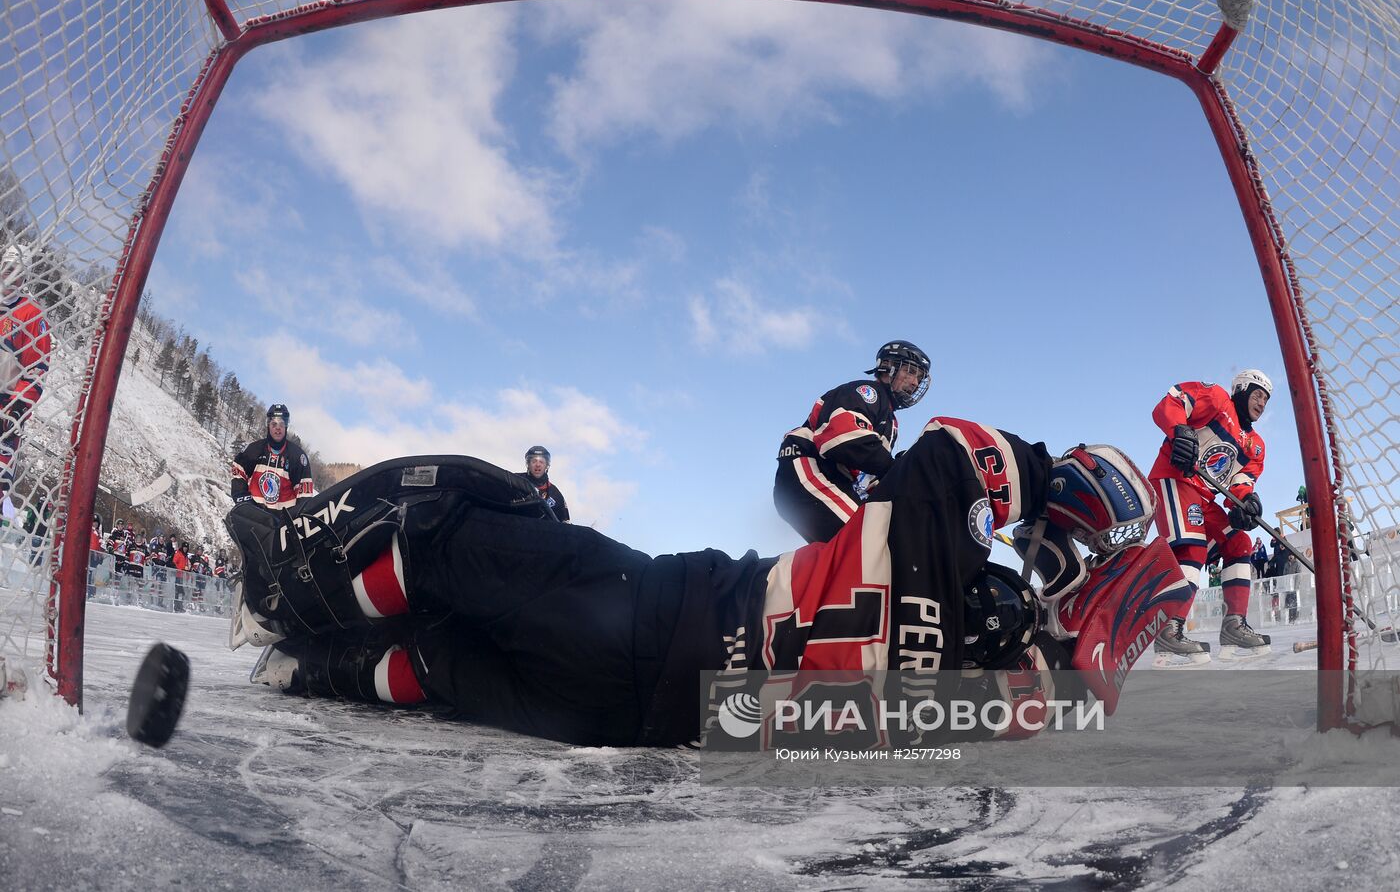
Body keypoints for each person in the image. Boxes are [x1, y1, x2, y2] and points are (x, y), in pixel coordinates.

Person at [230, 416, 1181, 748]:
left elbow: (950, 452)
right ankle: (299, 669)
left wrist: (1050, 478)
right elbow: (1054, 695)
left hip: (647, 613)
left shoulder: (921, 554)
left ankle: (288, 600)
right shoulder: (977, 709)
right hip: (639, 719)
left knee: (447, 546)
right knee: (436, 663)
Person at [1148, 369, 1273, 664]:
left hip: (1205, 496)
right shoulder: (1216, 398)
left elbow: (1240, 483)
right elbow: (1172, 402)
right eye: (1257, 394)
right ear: (1241, 390)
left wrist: (1246, 504)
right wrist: (1180, 430)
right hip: (1173, 479)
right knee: (1193, 549)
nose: (1262, 403)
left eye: (1266, 399)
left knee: (1239, 543)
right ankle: (1170, 629)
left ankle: (1234, 625)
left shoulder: (1256, 446)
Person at [773, 341, 930, 544]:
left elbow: (869, 479)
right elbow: (841, 438)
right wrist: (897, 469)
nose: (915, 382)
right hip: (808, 468)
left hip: (837, 481)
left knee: (878, 550)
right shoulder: (868, 392)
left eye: (919, 377)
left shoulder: (890, 423)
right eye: (911, 372)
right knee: (869, 542)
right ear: (889, 365)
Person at [0, 243, 52, 497]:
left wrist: (17, 406)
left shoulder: (32, 315)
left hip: (5, 409)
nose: (11, 275)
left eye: (17, 271)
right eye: (7, 268)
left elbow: (37, 368)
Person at [231, 404, 315, 510]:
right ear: (268, 426)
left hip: (284, 521)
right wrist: (246, 504)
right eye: (274, 424)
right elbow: (238, 473)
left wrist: (295, 518)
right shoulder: (254, 449)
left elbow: (304, 497)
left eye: (281, 424)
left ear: (286, 427)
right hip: (255, 517)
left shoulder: (297, 456)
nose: (278, 428)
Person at [519, 445, 569, 522]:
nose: (538, 465)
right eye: (534, 461)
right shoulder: (515, 480)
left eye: (541, 462)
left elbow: (565, 524)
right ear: (528, 464)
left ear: (546, 465)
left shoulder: (556, 494)